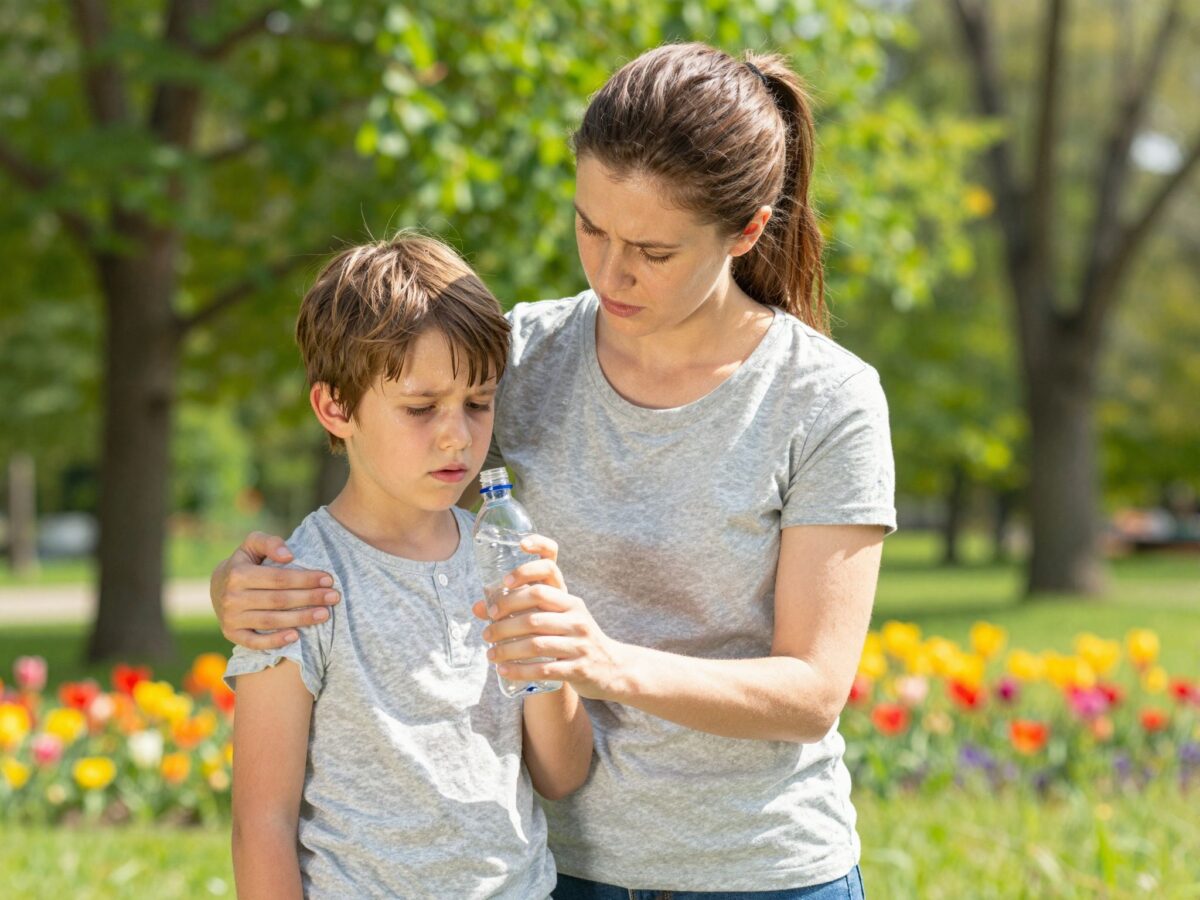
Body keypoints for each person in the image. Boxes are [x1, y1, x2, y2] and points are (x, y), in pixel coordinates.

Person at [213, 43, 893, 898]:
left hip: (762, 870)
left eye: (653, 249)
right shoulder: (519, 359)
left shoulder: (825, 398)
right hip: (555, 873)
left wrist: (604, 664)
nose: (611, 272)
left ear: (748, 231)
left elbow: (813, 691)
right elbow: (388, 505)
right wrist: (241, 590)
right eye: (591, 226)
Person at [223, 235, 592, 899]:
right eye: (421, 408)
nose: (457, 435)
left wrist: (546, 656)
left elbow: (562, 775)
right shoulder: (296, 589)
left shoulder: (501, 556)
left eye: (478, 403)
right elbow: (262, 822)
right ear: (336, 409)